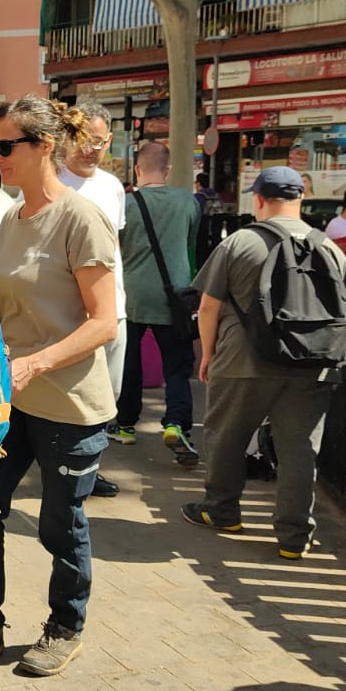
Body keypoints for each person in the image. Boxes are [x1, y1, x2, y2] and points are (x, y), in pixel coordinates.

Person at [0, 96, 118, 676]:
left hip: (69, 404)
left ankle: (65, 627)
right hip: (10, 397)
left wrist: (34, 364)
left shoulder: (80, 219)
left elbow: (104, 322)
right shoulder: (11, 216)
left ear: (44, 146)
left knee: (60, 524)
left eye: (5, 146)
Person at [183, 166, 346, 558]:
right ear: (301, 199)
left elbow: (208, 306)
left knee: (227, 437)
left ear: (260, 199)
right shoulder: (328, 246)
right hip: (312, 364)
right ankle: (294, 538)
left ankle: (222, 511)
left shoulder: (240, 242)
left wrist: (208, 354)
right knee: (299, 449)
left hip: (242, 362)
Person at [110, 140, 201, 464]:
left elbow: (116, 248)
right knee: (177, 366)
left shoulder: (126, 204)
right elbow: (190, 244)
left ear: (137, 169)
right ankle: (176, 424)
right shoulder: (188, 201)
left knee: (129, 363)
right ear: (168, 170)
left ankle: (125, 425)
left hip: (132, 295)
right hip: (174, 297)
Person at [58, 98, 126, 499]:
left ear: (109, 141)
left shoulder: (113, 187)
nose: (89, 149)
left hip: (113, 312)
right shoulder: (52, 185)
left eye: (97, 141)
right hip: (68, 316)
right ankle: (61, 468)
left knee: (106, 398)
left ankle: (90, 468)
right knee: (67, 402)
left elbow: (114, 248)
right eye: (82, 139)